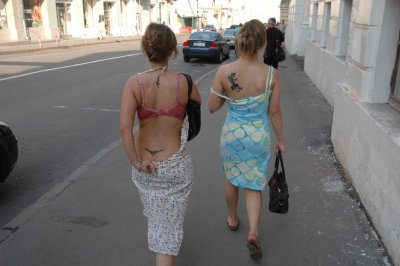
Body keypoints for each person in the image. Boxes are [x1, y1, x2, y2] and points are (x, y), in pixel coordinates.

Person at [120, 23, 201, 266]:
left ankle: (162, 242)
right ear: (172, 51)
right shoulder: (184, 82)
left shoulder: (134, 84)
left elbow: (125, 128)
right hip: (176, 165)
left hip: (144, 165)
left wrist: (135, 162)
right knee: (168, 230)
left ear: (145, 49)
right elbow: (198, 103)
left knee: (157, 219)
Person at [208, 19, 286, 261]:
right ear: (263, 42)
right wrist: (281, 141)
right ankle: (253, 231)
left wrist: (227, 96)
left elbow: (212, 107)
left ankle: (233, 219)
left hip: (232, 135)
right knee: (253, 184)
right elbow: (274, 112)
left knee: (232, 178)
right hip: (258, 136)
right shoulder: (271, 74)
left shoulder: (224, 71)